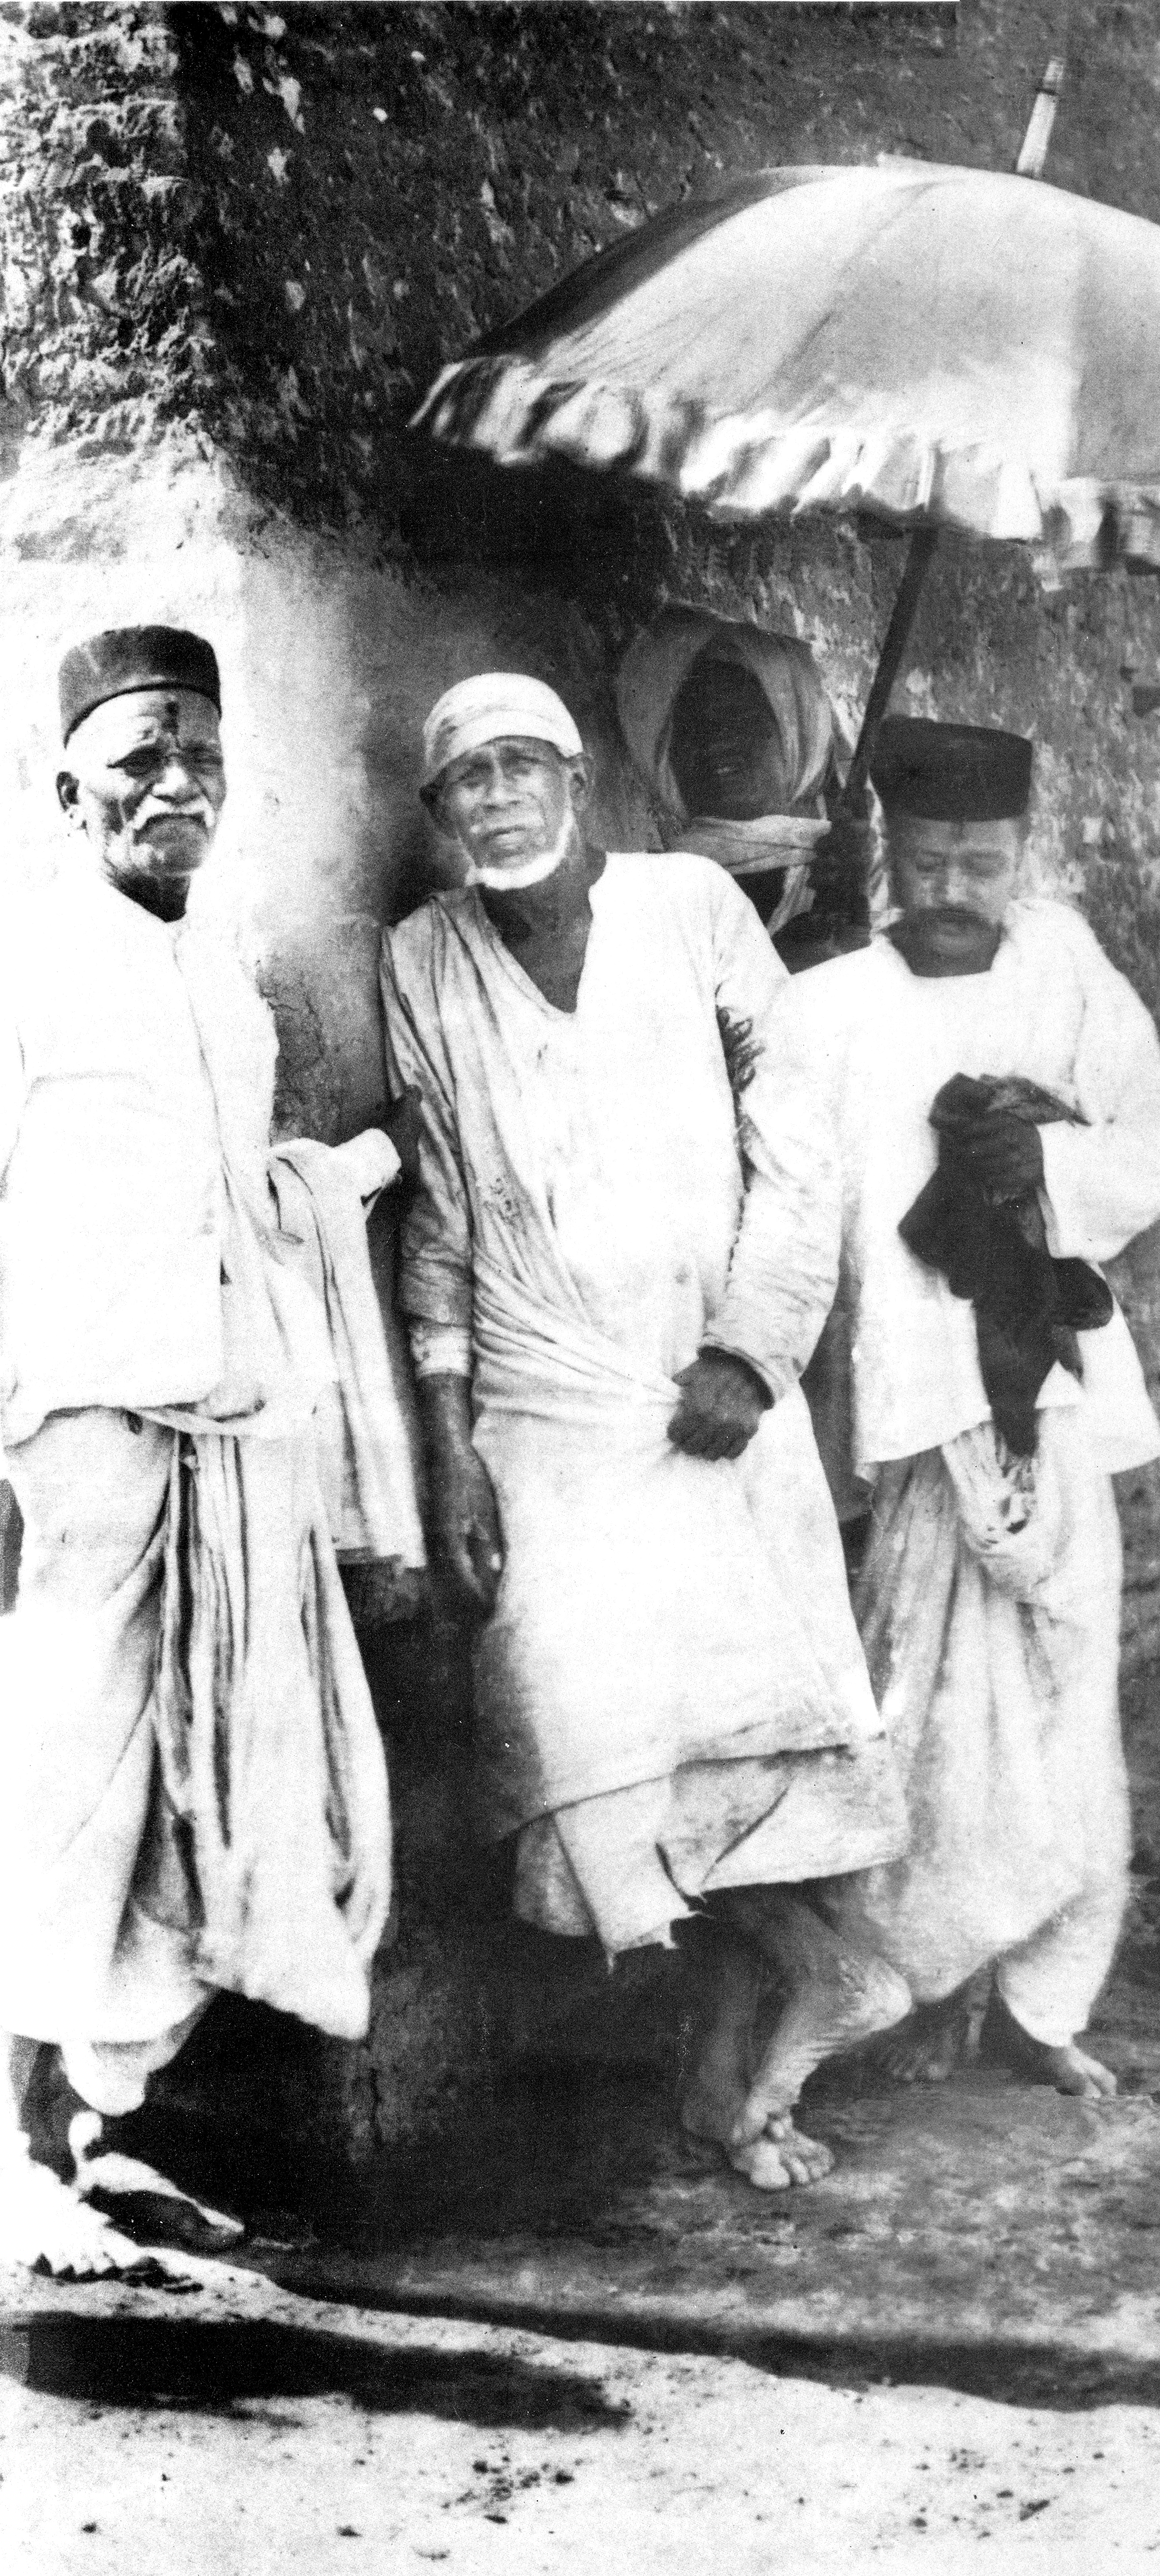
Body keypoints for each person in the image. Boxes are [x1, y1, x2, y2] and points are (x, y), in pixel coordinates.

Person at [381, 673, 910, 2192]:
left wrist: (753, 1349)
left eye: (518, 766)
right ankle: (778, 1996)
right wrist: (447, 1431)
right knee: (586, 1739)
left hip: (709, 1400)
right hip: (541, 1410)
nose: (493, 799)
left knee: (737, 1726)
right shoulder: (423, 955)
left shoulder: (689, 907)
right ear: (438, 814)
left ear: (577, 775)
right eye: (461, 780)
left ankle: (741, 2064)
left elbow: (800, 1146)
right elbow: (438, 1212)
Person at [0, 626, 414, 2277]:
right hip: (75, 1439)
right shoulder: (24, 959)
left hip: (223, 1437)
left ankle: (91, 2137)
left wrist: (333, 1183)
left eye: (203, 759)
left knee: (181, 1797)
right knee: (56, 1790)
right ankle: (11, 2156)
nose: (176, 785)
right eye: (141, 754)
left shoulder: (220, 987)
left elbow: (221, 1198)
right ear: (65, 783)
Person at [783, 716, 1160, 2094]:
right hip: (911, 1408)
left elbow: (1156, 1150)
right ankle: (899, 1980)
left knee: (1072, 1693)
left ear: (1022, 857)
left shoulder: (1068, 973)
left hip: (1055, 1396)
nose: (954, 888)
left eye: (982, 862)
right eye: (929, 862)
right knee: (923, 1703)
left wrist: (1049, 1161)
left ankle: (1041, 2003)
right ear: (887, 858)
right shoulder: (828, 1005)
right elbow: (796, 1212)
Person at [615, 609, 868, 965]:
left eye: (742, 717)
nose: (716, 741)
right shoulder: (641, 903)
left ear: (795, 735)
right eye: (693, 726)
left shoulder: (858, 876)